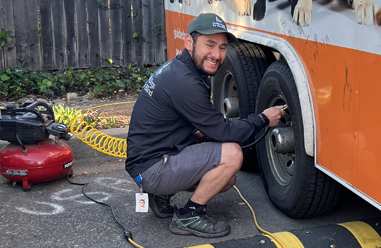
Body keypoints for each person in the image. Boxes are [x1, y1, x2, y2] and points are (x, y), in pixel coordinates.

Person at [125, 13, 285, 238]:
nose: (217, 55)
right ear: (189, 43)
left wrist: (199, 133)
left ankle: (160, 195)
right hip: (153, 168)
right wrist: (263, 119)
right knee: (232, 154)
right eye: (210, 45)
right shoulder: (185, 82)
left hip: (148, 161)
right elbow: (224, 131)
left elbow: (178, 123)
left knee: (227, 179)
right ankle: (189, 215)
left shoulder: (180, 68)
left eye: (222, 47)